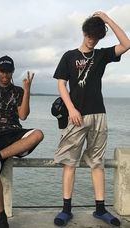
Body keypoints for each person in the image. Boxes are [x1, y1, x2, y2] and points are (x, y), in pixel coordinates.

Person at [52, 11, 130, 227]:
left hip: (99, 115)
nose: (91, 40)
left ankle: (100, 209)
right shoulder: (68, 56)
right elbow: (61, 84)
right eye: (89, 35)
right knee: (70, 163)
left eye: (96, 37)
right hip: (75, 116)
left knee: (97, 163)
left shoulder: (102, 55)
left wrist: (108, 20)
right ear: (84, 32)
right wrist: (71, 109)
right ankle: (66, 210)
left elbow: (126, 43)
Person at [0, 55, 44, 228]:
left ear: (12, 72)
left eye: (8, 72)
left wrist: (27, 90)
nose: (5, 75)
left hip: (15, 133)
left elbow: (23, 115)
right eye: (2, 71)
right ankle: (2, 218)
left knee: (38, 134)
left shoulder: (18, 91)